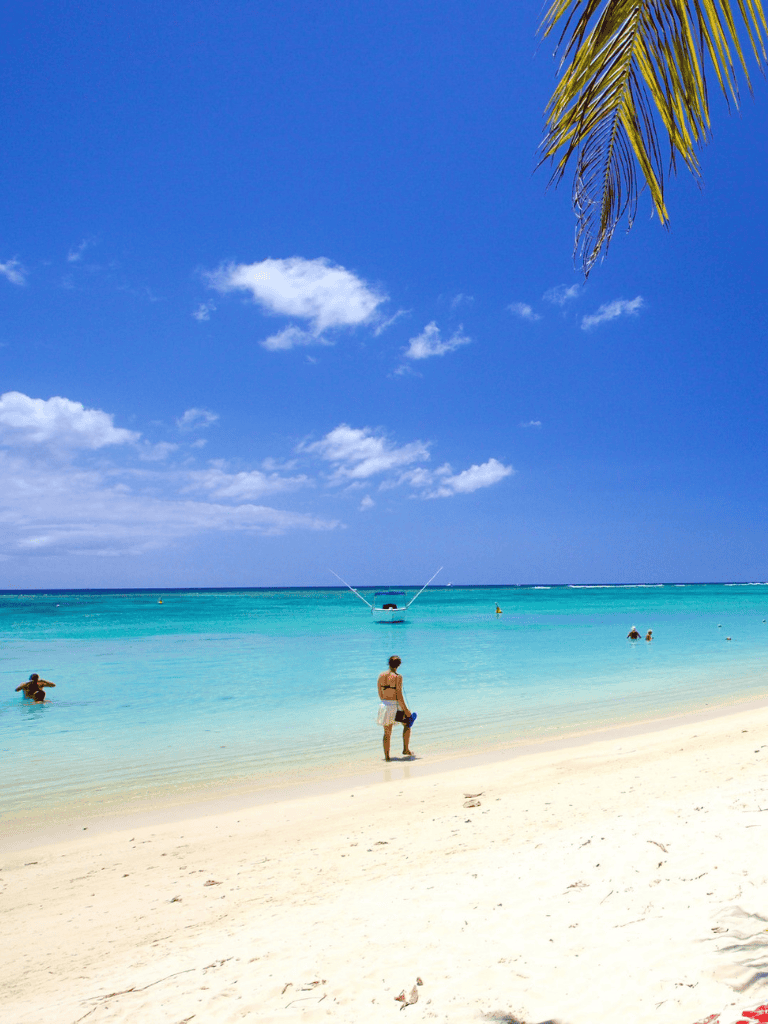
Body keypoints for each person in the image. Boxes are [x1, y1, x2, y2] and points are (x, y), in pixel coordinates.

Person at [377, 655, 414, 761]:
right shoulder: (398, 677)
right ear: (399, 665)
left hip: (384, 706)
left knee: (387, 732)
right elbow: (399, 696)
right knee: (407, 723)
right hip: (395, 706)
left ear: (388, 663)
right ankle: (405, 749)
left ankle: (387, 757)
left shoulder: (381, 675)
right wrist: (406, 711)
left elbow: (380, 693)